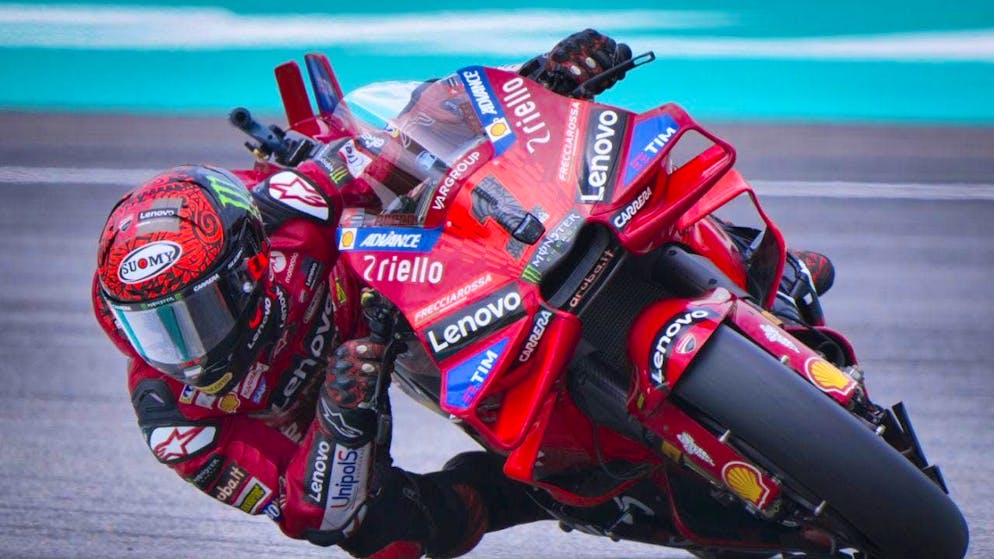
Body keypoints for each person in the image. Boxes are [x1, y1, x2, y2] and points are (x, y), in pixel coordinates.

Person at [90, 29, 660, 559]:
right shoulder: (176, 423)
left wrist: (536, 79)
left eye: (197, 315)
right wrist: (340, 416)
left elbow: (397, 143)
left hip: (392, 286)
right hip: (342, 411)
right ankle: (538, 492)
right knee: (383, 537)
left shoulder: (283, 210)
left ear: (249, 270)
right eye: (155, 328)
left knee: (479, 189)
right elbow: (308, 514)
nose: (184, 350)